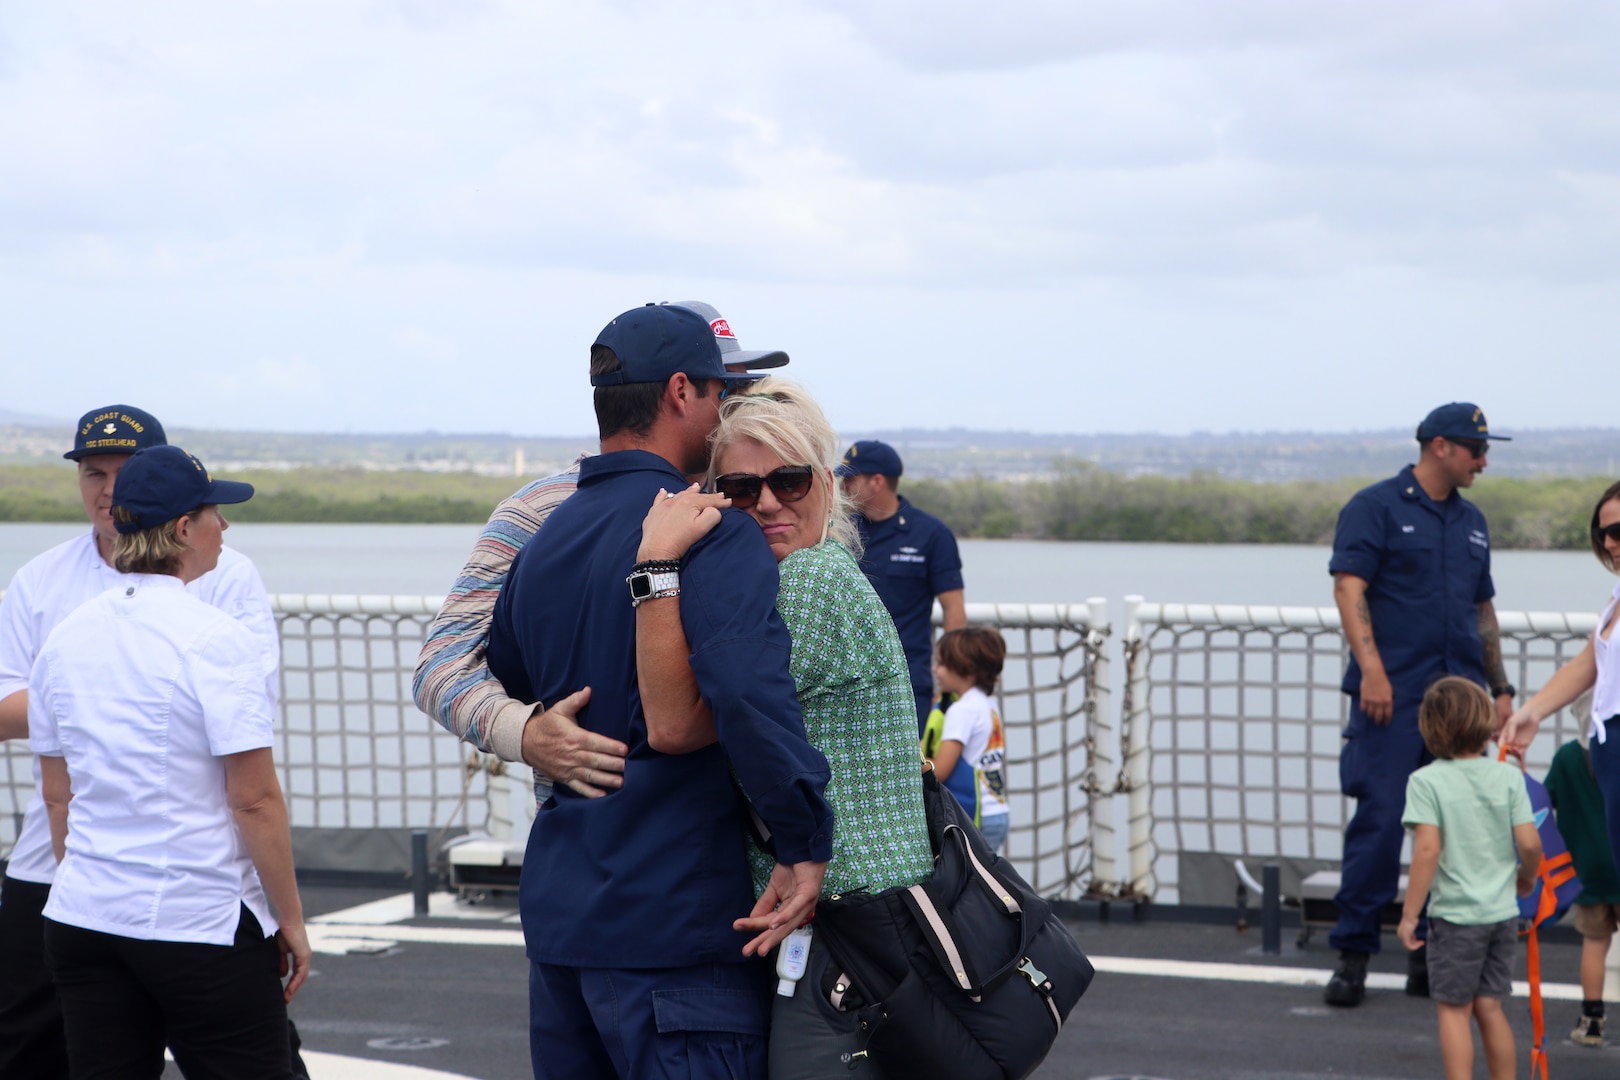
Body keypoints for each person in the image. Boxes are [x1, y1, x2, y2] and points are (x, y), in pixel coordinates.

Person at [484, 303, 834, 1079]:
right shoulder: (712, 529)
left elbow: (508, 671)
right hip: (676, 932)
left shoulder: (545, 542)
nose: (728, 410)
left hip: (563, 925)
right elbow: (747, 693)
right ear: (682, 391)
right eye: (721, 390)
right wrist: (803, 839)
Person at [632, 378, 934, 1077]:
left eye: (789, 481)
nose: (766, 503)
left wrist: (655, 568)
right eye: (740, 489)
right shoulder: (837, 569)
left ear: (827, 486)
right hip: (872, 915)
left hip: (839, 921)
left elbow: (682, 722)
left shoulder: (806, 584)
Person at [0, 405, 284, 1080]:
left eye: (123, 474)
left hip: (195, 877)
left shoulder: (228, 574)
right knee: (25, 1055)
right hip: (59, 869)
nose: (106, 489)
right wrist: (123, 699)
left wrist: (94, 699)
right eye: (92, 473)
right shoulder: (41, 580)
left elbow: (249, 714)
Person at [411, 301, 790, 802]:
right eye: (729, 389)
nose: (739, 407)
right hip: (609, 825)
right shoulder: (541, 509)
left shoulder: (761, 500)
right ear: (681, 393)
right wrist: (524, 733)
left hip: (741, 846)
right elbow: (441, 663)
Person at [1324, 401, 1515, 1007]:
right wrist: (1374, 673)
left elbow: (1482, 610)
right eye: (1474, 449)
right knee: (1380, 824)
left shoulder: (1473, 522)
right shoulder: (1374, 507)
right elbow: (1348, 585)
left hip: (1461, 706)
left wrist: (1501, 687)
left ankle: (1428, 959)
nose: (1483, 461)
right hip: (1392, 697)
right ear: (1439, 446)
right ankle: (1353, 956)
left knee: (1455, 830)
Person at [1502, 480, 1620, 1042]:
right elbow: (1589, 664)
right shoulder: (1616, 603)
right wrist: (1532, 712)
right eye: (1604, 532)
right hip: (1608, 748)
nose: (1611, 542)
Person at [1397, 677, 1539, 1080]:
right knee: (1490, 1007)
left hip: (1456, 918)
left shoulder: (1426, 782)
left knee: (1454, 1009)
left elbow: (1427, 851)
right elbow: (1529, 843)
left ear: (1430, 728)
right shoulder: (1508, 777)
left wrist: (1410, 915)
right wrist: (1526, 878)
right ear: (1486, 724)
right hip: (1501, 914)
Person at [837, 439, 966, 733]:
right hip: (848, 684)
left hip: (909, 682)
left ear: (877, 482)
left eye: (850, 479)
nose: (843, 487)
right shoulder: (840, 531)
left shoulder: (931, 534)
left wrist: (951, 682)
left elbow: (954, 609)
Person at [1542, 703, 1620, 1048]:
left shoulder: (1566, 759)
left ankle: (1591, 1020)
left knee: (1594, 943)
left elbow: (1547, 799)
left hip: (1586, 871)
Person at [930, 627, 1010, 854]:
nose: (935, 669)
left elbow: (940, 770)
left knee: (968, 885)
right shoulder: (987, 703)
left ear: (966, 671)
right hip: (997, 810)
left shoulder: (962, 710)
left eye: (942, 664)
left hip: (974, 816)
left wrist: (907, 757)